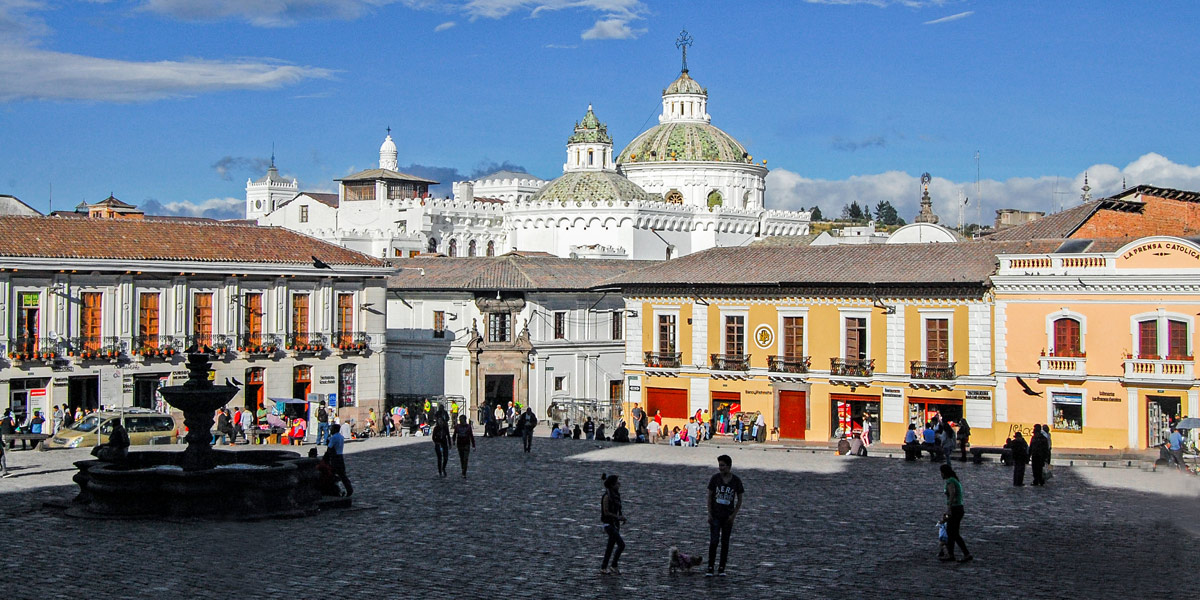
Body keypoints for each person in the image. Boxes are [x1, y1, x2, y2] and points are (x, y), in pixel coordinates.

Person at [706, 454, 744, 576]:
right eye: (719, 465)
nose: (720, 468)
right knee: (714, 541)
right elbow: (709, 496)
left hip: (728, 516)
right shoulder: (715, 479)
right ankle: (710, 567)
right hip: (716, 515)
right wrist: (709, 513)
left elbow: (740, 499)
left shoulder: (736, 481)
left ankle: (722, 568)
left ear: (729, 466)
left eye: (722, 465)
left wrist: (733, 515)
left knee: (725, 542)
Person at [939, 464, 972, 562]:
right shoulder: (955, 480)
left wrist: (948, 509)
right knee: (951, 532)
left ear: (944, 472)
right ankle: (951, 554)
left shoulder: (950, 481)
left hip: (955, 508)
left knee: (953, 533)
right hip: (959, 508)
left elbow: (952, 493)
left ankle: (965, 554)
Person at [599, 473, 626, 575]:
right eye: (617, 483)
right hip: (608, 525)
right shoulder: (606, 496)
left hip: (614, 524)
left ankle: (604, 567)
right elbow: (606, 512)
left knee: (610, 546)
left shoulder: (615, 496)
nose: (619, 484)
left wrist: (620, 518)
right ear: (612, 485)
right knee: (621, 545)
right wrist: (618, 517)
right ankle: (613, 565)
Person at [327, 423, 352, 496]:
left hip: (335, 457)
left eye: (331, 429)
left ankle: (334, 490)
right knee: (343, 475)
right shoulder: (341, 437)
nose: (330, 430)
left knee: (331, 474)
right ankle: (349, 489)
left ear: (334, 430)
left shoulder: (334, 437)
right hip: (340, 456)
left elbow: (330, 447)